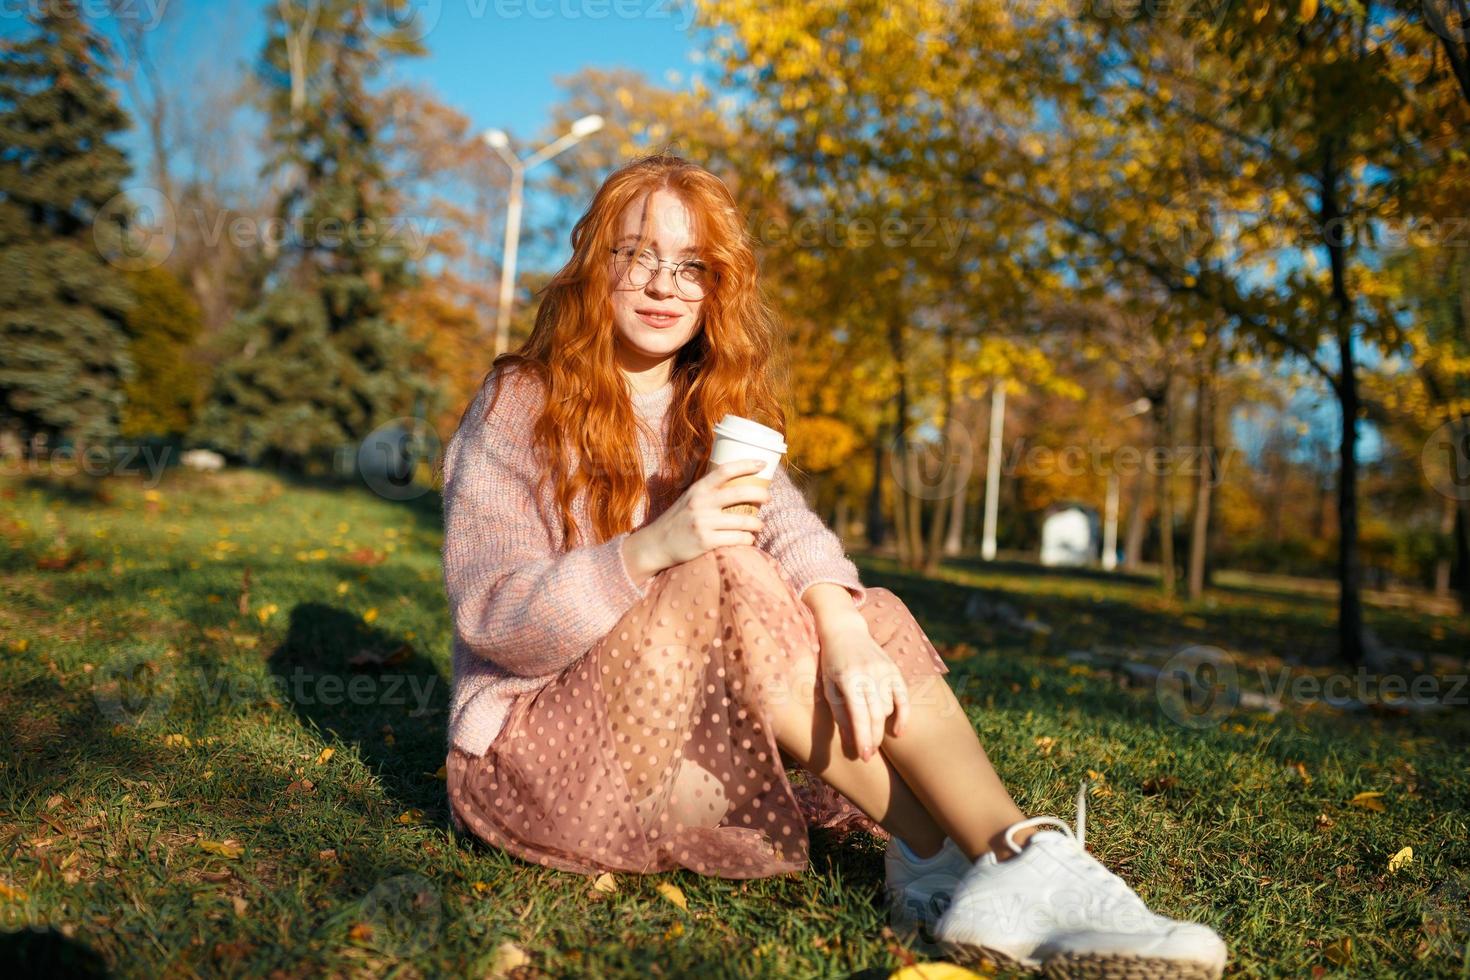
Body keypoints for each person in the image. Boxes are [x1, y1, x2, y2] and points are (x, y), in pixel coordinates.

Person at [439, 152, 1228, 978]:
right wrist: (652, 550)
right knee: (727, 571)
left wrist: (843, 626)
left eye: (692, 267)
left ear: (718, 290)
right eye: (637, 255)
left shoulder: (711, 412)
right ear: (593, 265)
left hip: (666, 754)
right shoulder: (518, 404)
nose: (664, 285)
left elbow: (800, 536)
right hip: (532, 774)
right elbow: (495, 620)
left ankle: (1012, 853)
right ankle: (952, 854)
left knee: (861, 608)